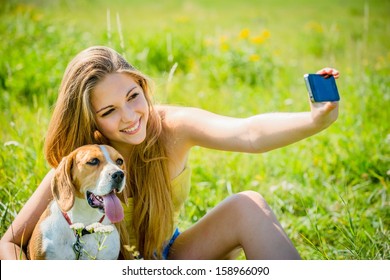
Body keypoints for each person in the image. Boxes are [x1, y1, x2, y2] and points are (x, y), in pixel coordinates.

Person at [0, 46, 340, 260]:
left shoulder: (172, 127)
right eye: (109, 111)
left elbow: (248, 133)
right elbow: (9, 243)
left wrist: (314, 119)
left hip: (168, 257)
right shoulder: (80, 165)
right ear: (92, 121)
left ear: (143, 86)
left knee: (247, 205)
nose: (131, 117)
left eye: (133, 96)